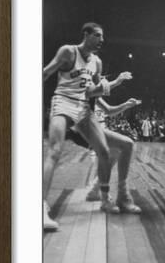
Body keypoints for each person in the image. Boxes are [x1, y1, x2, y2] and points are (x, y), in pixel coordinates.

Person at [42, 22, 133, 230]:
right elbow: (46, 73)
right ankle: (40, 207)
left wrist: (114, 83)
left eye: (103, 37)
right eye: (98, 35)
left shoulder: (97, 63)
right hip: (63, 101)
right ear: (86, 34)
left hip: (83, 107)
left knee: (104, 151)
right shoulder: (68, 52)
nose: (102, 40)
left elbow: (92, 90)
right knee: (55, 151)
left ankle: (104, 198)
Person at [84, 96, 142, 207]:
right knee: (115, 151)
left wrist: (126, 104)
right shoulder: (87, 90)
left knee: (113, 152)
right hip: (89, 129)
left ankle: (95, 190)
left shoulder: (95, 95)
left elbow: (109, 110)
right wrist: (116, 82)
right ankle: (116, 195)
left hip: (98, 129)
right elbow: (104, 92)